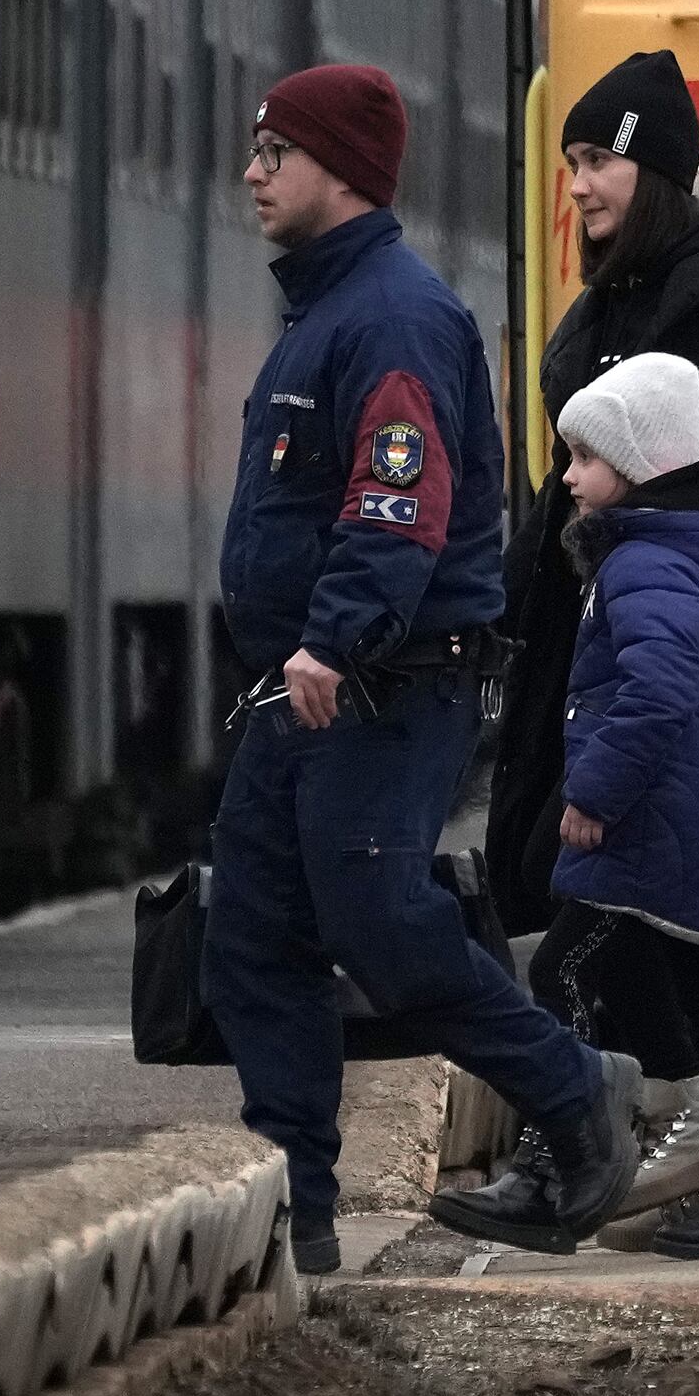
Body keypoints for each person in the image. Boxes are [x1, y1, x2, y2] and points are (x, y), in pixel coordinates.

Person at [204, 64, 632, 1274]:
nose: (252, 173)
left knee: (383, 928)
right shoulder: (334, 310)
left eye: (273, 152)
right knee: (251, 938)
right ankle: (301, 1204)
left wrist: (334, 639)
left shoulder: (387, 318)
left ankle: (574, 1086)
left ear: (338, 171)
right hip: (305, 690)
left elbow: (395, 503)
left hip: (378, 686)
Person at [485, 48, 699, 1206]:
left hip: (686, 649)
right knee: (674, 933)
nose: (577, 184)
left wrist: (677, 500)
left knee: (616, 910)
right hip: (594, 630)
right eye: (573, 160)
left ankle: (609, 1151)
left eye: (597, 160)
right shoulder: (606, 304)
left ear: (656, 171)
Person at [458, 351, 699, 1259]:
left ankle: (557, 1166)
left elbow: (653, 696)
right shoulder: (663, 555)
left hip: (647, 826)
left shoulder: (646, 564)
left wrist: (592, 795)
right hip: (683, 825)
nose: (567, 476)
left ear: (641, 465)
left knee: (561, 977)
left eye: (584, 458)